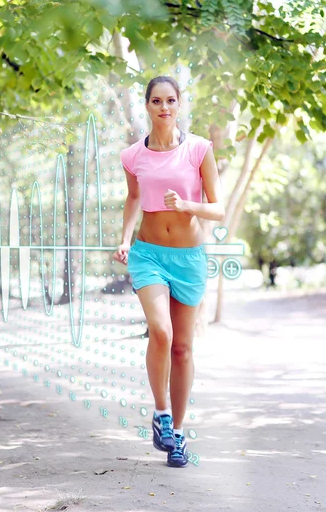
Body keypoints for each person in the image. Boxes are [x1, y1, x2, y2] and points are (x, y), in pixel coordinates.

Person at [113, 75, 225, 468]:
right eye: (157, 101)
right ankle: (160, 412)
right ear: (147, 106)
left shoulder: (198, 149)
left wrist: (188, 206)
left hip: (189, 258)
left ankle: (177, 435)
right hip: (148, 255)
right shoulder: (133, 156)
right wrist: (126, 239)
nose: (164, 107)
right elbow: (132, 198)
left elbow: (218, 208)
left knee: (182, 347)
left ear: (179, 105)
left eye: (171, 100)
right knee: (161, 331)